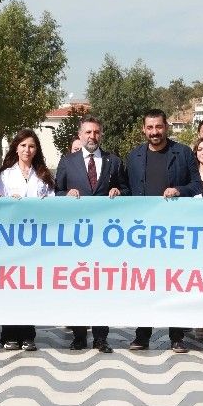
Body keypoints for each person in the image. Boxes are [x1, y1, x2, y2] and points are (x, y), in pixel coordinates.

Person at [126, 109, 202, 353]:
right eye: (150, 127)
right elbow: (128, 189)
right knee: (145, 284)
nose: (154, 132)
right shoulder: (134, 156)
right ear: (143, 129)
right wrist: (118, 191)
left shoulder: (183, 153)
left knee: (174, 283)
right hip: (143, 232)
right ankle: (142, 335)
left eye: (158, 127)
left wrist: (179, 190)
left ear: (166, 127)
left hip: (174, 231)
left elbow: (197, 185)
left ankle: (177, 336)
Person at [55, 115, 125, 353]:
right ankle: (78, 336)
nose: (92, 136)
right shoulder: (67, 161)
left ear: (101, 134)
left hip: (106, 237)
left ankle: (101, 337)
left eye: (96, 132)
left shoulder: (113, 161)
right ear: (80, 134)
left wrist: (119, 191)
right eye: (88, 132)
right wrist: (66, 195)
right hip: (76, 236)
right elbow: (56, 192)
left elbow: (127, 189)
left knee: (102, 287)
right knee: (77, 286)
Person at [0, 129, 55, 352]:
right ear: (16, 148)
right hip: (11, 239)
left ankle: (28, 335)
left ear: (36, 149)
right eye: (23, 146)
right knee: (10, 287)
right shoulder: (5, 175)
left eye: (31, 146)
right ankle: (9, 334)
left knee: (30, 287)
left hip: (34, 240)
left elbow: (52, 204)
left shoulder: (43, 175)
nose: (27, 150)